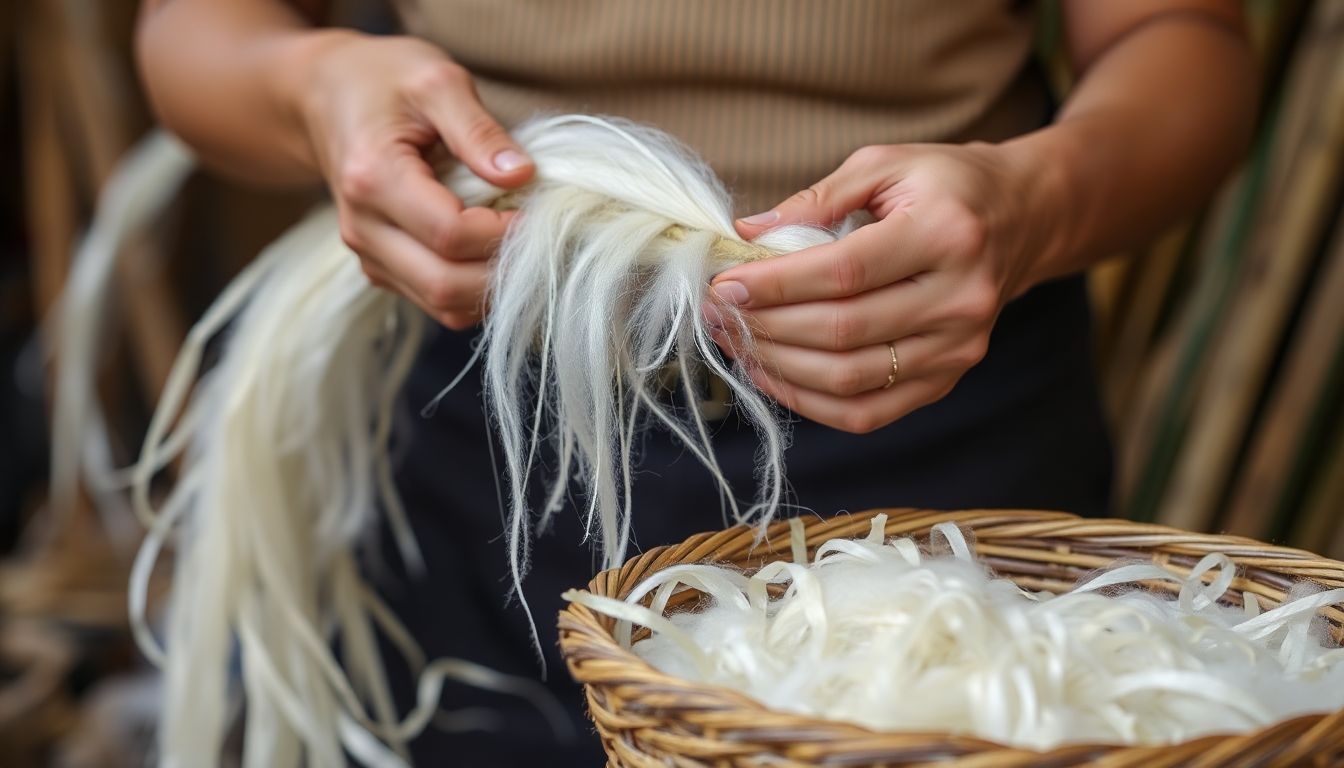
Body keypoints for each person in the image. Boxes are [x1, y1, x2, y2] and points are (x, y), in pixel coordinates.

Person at [136, 1, 1256, 764]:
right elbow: (196, 28)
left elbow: (1181, 38)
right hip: (472, 438)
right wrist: (310, 84)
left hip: (937, 419)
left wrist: (1032, 203)